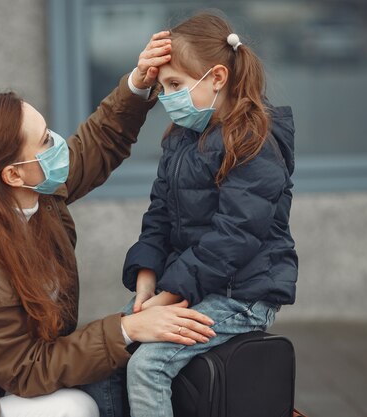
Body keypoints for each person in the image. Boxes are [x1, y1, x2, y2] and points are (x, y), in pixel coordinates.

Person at [0, 31, 217, 417]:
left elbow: (96, 144)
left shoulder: (26, 189)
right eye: (44, 141)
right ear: (13, 175)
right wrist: (128, 328)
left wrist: (138, 85)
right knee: (74, 408)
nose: (57, 144)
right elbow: (27, 369)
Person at [121, 12, 298, 417]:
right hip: (194, 285)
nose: (166, 98)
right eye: (163, 87)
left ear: (217, 77)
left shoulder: (255, 141)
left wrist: (168, 297)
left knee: (148, 366)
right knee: (117, 343)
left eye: (175, 85)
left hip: (243, 295)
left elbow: (234, 237)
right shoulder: (183, 138)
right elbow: (159, 214)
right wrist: (147, 282)